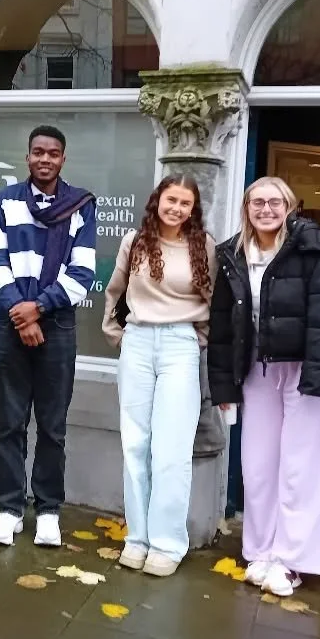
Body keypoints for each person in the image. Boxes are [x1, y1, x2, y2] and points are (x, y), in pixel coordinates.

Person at [208, 176, 320, 597]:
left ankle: (292, 561)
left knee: (300, 468)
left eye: (275, 202)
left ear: (290, 206)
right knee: (258, 465)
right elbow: (221, 327)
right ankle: (261, 551)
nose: (266, 209)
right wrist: (224, 388)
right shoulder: (232, 253)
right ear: (246, 208)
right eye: (257, 202)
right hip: (256, 369)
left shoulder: (313, 247)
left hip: (303, 369)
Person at [0, 125, 97, 548]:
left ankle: (48, 510)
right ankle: (9, 508)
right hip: (13, 323)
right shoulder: (8, 200)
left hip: (57, 325)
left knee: (52, 425)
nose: (45, 159)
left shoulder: (81, 205)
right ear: (27, 156)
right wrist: (21, 313)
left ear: (62, 159)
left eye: (53, 153)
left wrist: (39, 308)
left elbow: (82, 272)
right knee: (10, 422)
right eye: (37, 152)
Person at [101, 174, 216, 577]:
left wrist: (195, 338)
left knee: (171, 448)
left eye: (185, 203)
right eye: (171, 200)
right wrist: (117, 334)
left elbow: (214, 301)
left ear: (193, 208)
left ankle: (167, 543)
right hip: (137, 341)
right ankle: (138, 538)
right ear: (158, 200)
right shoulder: (135, 242)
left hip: (180, 347)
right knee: (135, 443)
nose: (177, 208)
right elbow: (115, 291)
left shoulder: (203, 246)